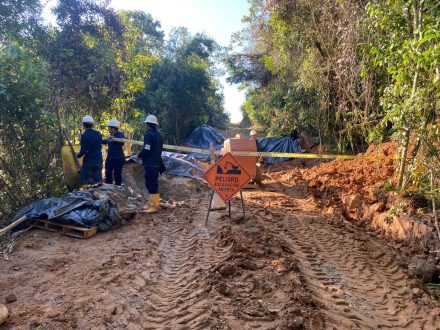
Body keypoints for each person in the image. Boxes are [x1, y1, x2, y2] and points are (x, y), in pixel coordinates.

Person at [137, 115, 163, 214]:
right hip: (157, 162)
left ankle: (154, 206)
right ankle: (153, 204)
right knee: (153, 182)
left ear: (147, 124)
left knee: (151, 183)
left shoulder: (149, 135)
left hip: (150, 163)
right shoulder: (159, 135)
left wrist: (140, 154)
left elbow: (147, 149)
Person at [77, 115, 103, 187]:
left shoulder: (84, 135)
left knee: (84, 178)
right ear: (92, 124)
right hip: (98, 158)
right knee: (98, 179)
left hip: (89, 160)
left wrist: (78, 155)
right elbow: (101, 142)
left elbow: (83, 150)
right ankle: (101, 195)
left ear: (83, 124)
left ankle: (87, 193)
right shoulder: (98, 133)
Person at [102, 118, 125, 186]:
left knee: (117, 174)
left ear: (113, 128)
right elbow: (104, 141)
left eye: (109, 127)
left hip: (118, 158)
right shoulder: (109, 136)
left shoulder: (120, 135)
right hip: (110, 158)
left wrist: (112, 139)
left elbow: (122, 142)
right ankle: (109, 188)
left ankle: (118, 188)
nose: (108, 128)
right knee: (108, 173)